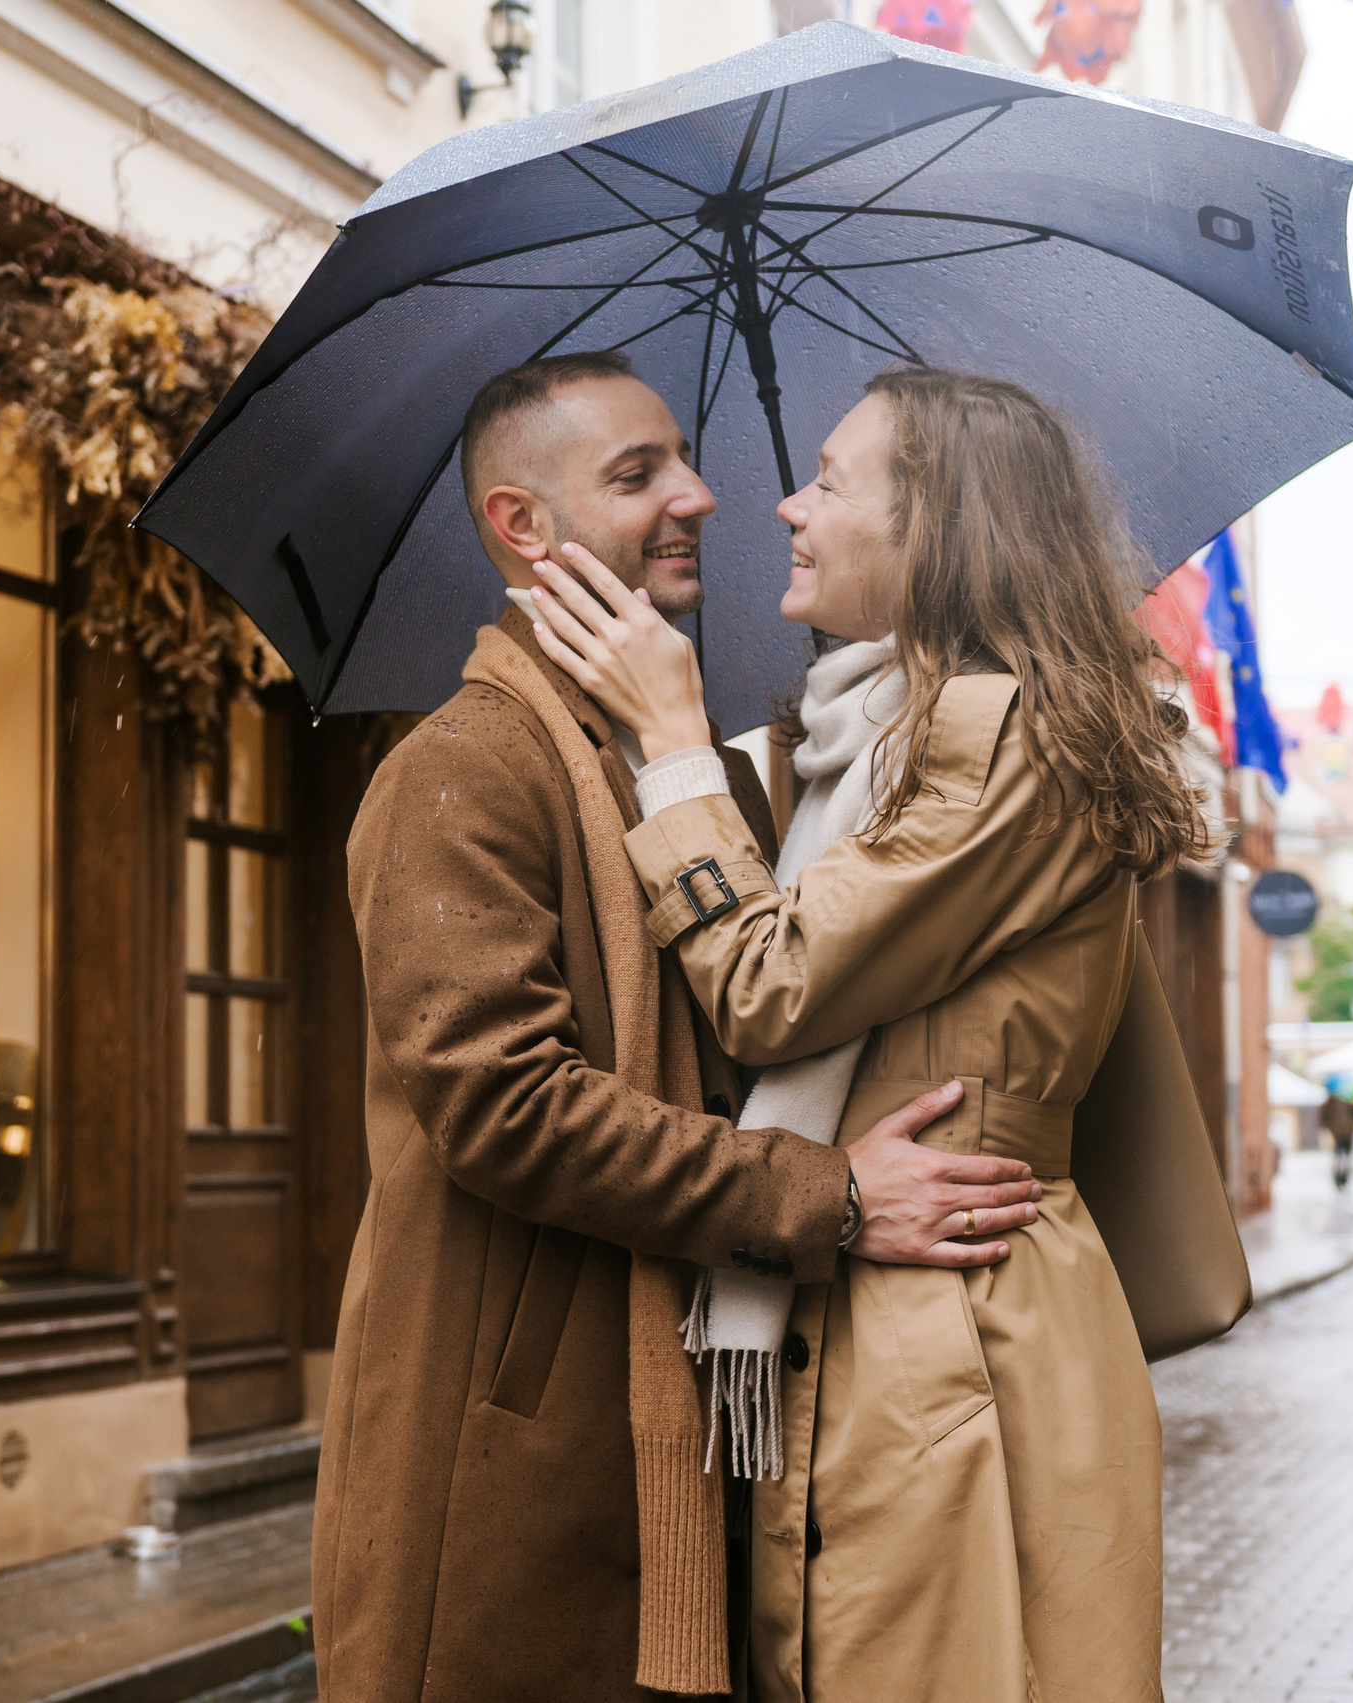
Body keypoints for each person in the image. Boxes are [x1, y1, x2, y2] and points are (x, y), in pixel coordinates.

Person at [314, 352, 1044, 1703]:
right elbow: (505, 1104)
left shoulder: (677, 767)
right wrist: (824, 1197)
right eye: (639, 473)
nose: (701, 496)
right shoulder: (460, 770)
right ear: (524, 526)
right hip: (507, 1448)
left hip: (670, 1433)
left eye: (687, 461)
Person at [527, 366, 1211, 1702]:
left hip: (957, 1331)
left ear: (934, 527)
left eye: (832, 481)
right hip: (891, 1315)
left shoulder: (1003, 737)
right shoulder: (858, 741)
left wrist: (670, 741)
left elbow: (773, 984)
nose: (786, 504)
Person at [1319, 1092, 1353, 1190]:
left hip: (1346, 1133)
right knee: (1340, 1157)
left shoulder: (1351, 1101)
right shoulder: (1333, 1100)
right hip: (1338, 1133)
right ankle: (1339, 1178)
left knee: (1344, 1157)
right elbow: (1324, 1115)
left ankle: (1343, 1177)